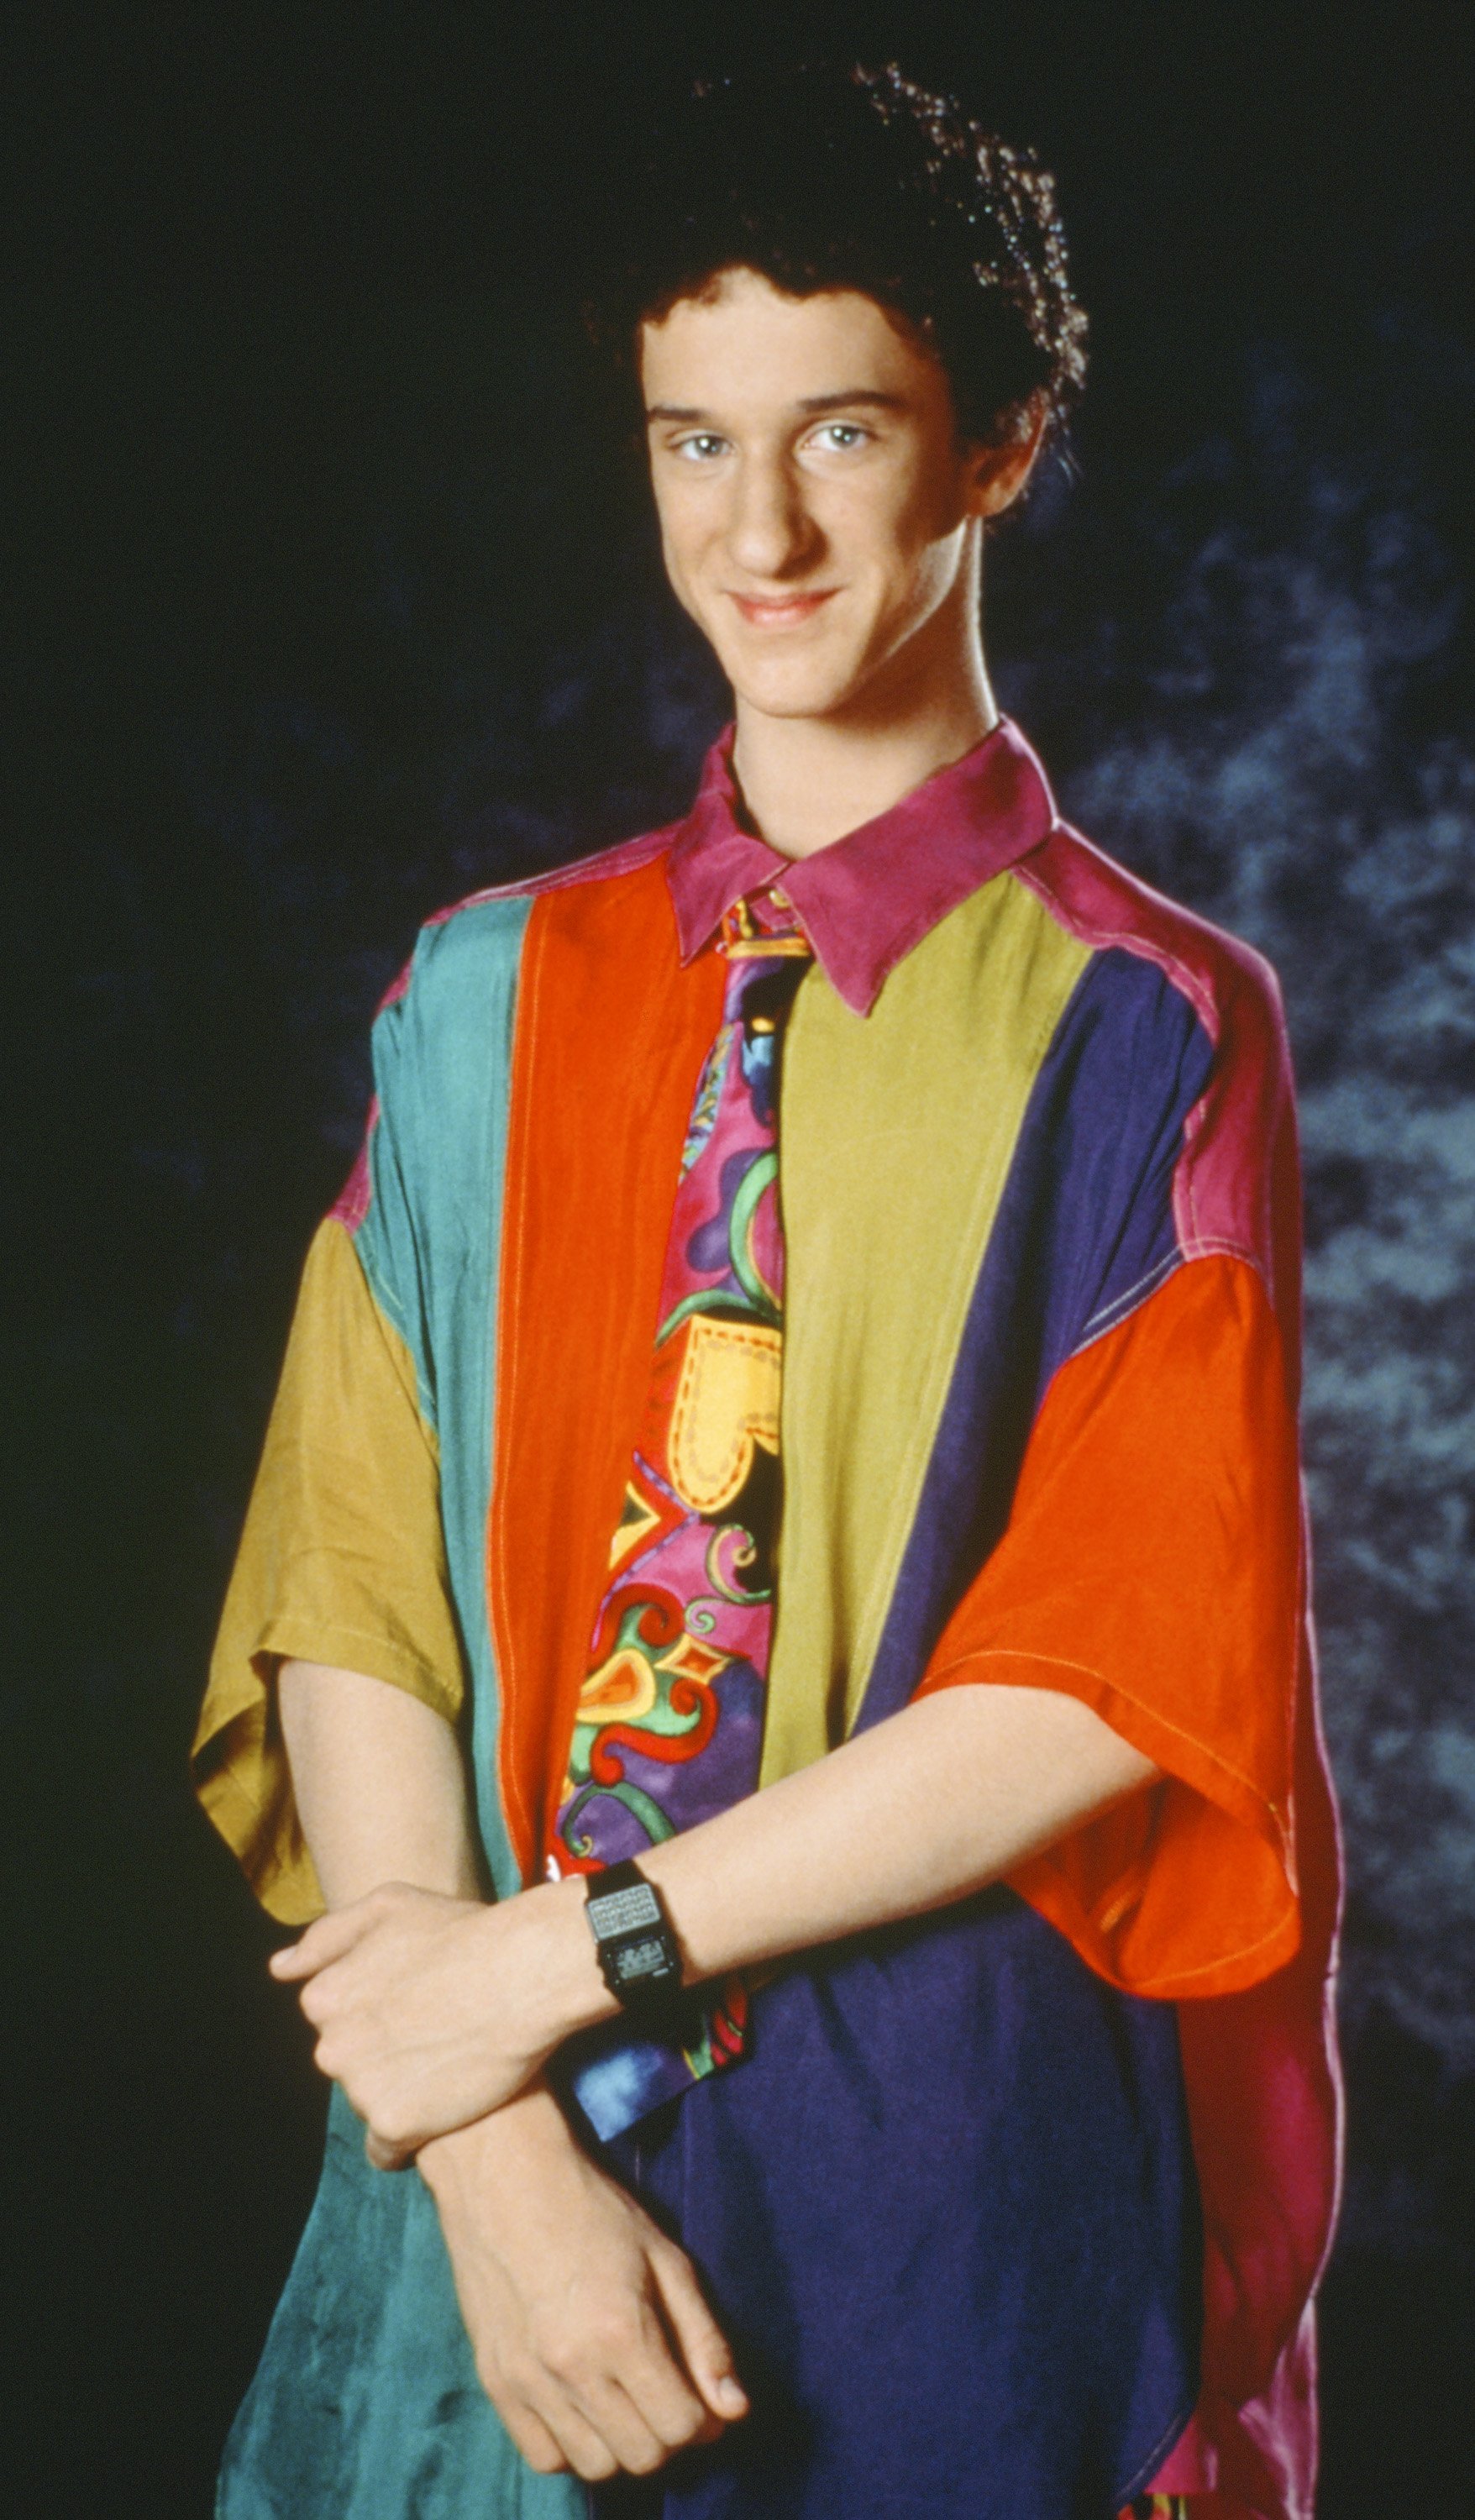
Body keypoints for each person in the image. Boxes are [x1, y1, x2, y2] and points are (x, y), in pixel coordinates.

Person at [193, 61, 1341, 2520]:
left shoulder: (1145, 1017)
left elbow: (1109, 1669)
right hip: (482, 2160)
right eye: (690, 445)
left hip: (933, 2172)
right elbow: (349, 1580)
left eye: (839, 431)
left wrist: (547, 1961)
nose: (764, 530)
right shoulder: (476, 993)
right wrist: (485, 2132)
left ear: (999, 441)